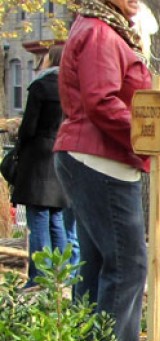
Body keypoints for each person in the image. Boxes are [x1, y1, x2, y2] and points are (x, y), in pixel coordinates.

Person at [53, 0, 160, 341]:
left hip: (97, 157)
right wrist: (155, 139)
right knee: (128, 264)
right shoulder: (99, 32)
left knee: (97, 265)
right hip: (100, 159)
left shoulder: (103, 28)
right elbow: (101, 101)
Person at [12, 45, 77, 289]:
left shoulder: (40, 86)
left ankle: (39, 275)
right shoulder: (73, 87)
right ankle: (60, 276)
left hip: (38, 159)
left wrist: (20, 146)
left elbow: (28, 127)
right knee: (57, 219)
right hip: (63, 155)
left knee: (38, 218)